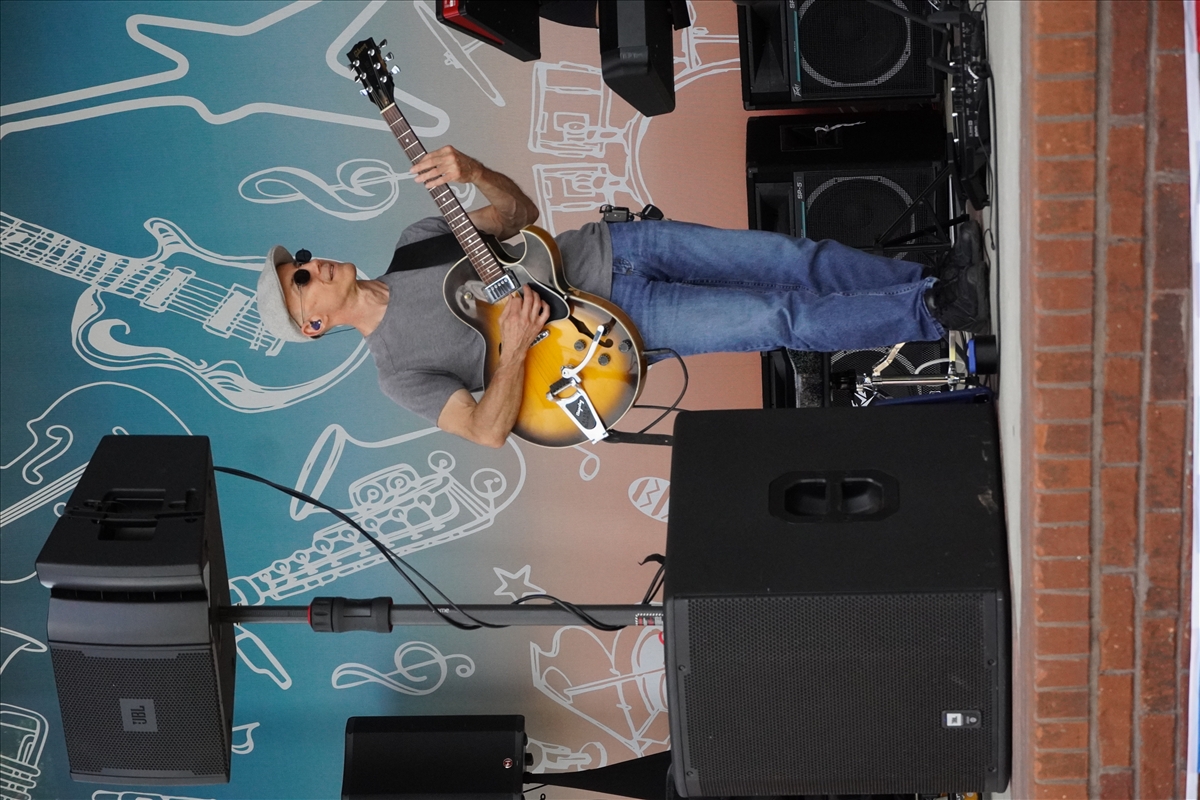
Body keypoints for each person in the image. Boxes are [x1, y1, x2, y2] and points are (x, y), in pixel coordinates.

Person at [256, 146, 989, 448]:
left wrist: (473, 171)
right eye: (301, 280)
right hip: (614, 329)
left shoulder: (416, 238)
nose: (313, 266)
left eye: (304, 260)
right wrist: (513, 350)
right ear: (313, 324)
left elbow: (519, 214)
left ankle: (932, 279)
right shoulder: (396, 371)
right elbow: (484, 430)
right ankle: (935, 311)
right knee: (779, 315)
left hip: (619, 246)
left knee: (795, 258)